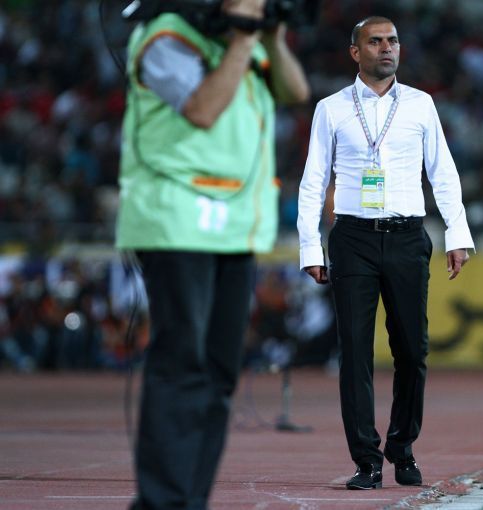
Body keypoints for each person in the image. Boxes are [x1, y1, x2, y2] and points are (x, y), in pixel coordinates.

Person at [115, 1, 309, 508]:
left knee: (220, 372)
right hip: (177, 219)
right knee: (182, 363)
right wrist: (244, 39)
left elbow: (295, 91)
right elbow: (202, 109)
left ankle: (189, 500)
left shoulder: (240, 43)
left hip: (234, 227)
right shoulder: (166, 36)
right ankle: (161, 503)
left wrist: (270, 36)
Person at [296, 16, 474, 490]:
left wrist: (457, 233)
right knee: (354, 353)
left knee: (412, 350)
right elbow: (314, 180)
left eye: (392, 40)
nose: (386, 48)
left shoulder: (421, 104)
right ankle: (366, 460)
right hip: (352, 238)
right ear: (356, 52)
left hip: (407, 236)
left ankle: (402, 446)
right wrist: (310, 244)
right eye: (375, 42)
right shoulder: (331, 108)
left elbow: (443, 172)